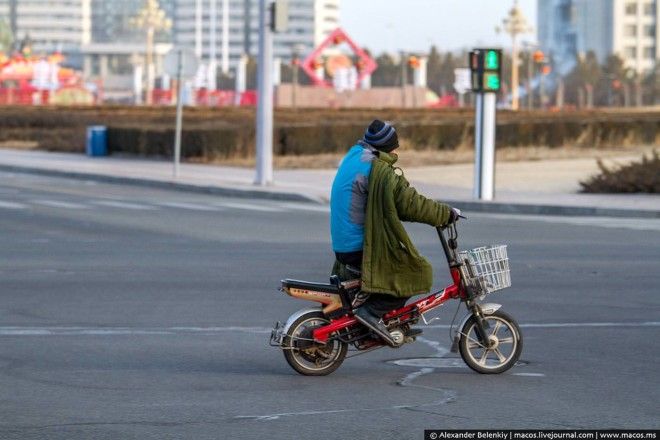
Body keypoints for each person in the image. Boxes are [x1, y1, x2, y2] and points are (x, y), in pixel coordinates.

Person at [330, 120, 461, 346]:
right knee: (412, 272)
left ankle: (381, 323)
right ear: (386, 147)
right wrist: (444, 213)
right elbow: (409, 203)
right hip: (360, 246)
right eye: (394, 147)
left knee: (400, 271)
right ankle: (371, 315)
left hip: (344, 244)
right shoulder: (378, 170)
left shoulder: (354, 156)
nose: (396, 151)